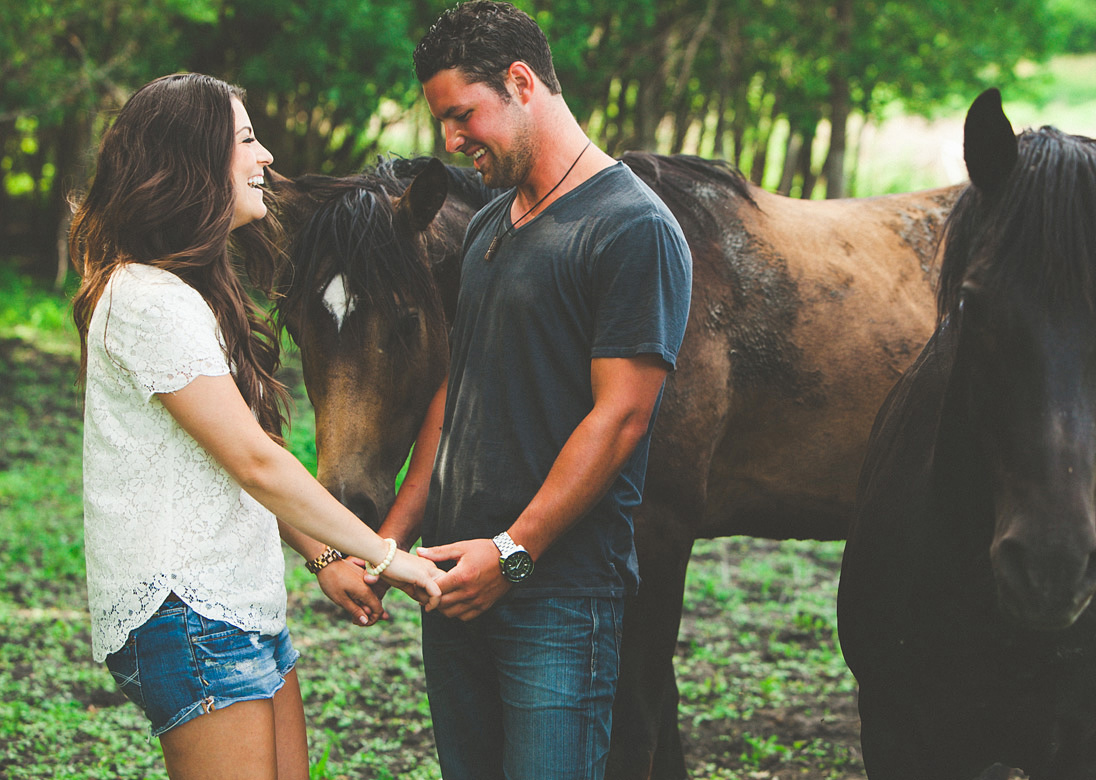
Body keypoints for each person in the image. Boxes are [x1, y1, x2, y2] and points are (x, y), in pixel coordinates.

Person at [69, 72, 443, 780]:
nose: (267, 155)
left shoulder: (185, 293)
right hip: (188, 614)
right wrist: (389, 555)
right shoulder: (148, 300)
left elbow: (247, 448)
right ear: (193, 162)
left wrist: (326, 558)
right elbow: (254, 463)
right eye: (245, 139)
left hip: (237, 604)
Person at [373, 3, 693, 777]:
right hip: (453, 589)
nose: (449, 141)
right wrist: (388, 543)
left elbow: (621, 418)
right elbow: (456, 395)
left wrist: (511, 556)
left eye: (461, 114)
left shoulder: (630, 228)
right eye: (442, 121)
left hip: (557, 599)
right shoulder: (491, 227)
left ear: (521, 83)